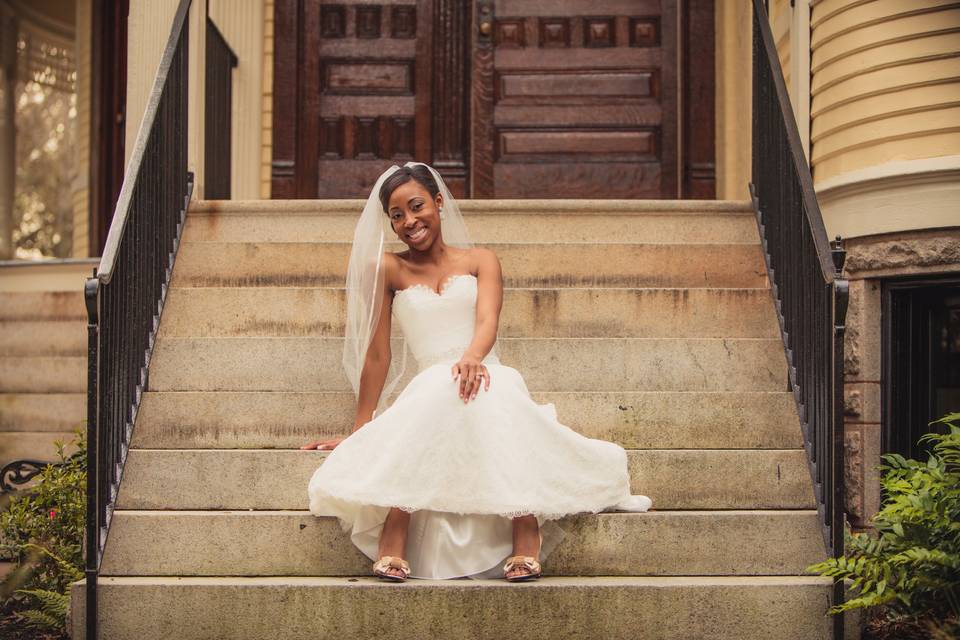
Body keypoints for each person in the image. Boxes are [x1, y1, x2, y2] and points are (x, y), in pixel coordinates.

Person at [302, 161, 652, 582]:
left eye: (416, 207)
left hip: (484, 371)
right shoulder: (388, 270)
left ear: (438, 202)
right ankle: (397, 529)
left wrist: (471, 356)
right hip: (432, 382)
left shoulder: (480, 260)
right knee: (436, 386)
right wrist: (362, 430)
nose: (410, 221)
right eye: (397, 215)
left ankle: (524, 532)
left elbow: (487, 320)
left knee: (494, 388)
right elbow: (377, 356)